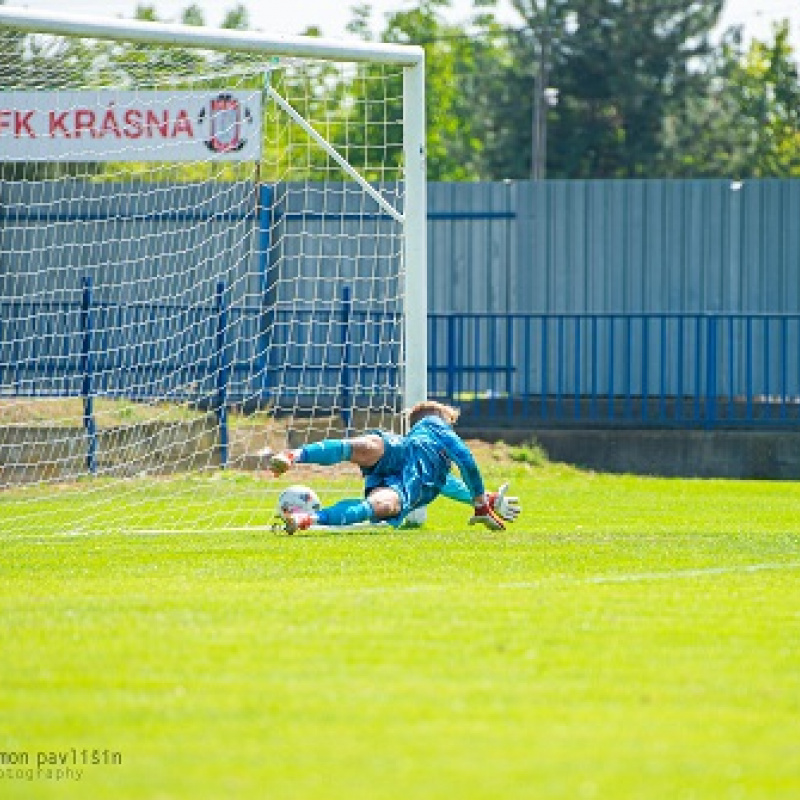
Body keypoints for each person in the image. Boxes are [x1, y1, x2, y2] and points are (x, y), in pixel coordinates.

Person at [269, 400, 521, 533]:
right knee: (371, 451)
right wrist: (480, 503)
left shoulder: (440, 474)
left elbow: (456, 487)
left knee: (382, 500)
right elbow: (466, 459)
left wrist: (488, 498)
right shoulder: (435, 424)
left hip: (411, 478)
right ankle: (293, 457)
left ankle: (306, 517)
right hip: (405, 452)